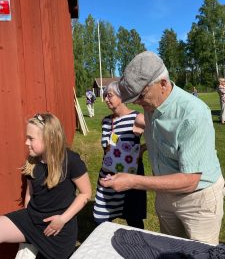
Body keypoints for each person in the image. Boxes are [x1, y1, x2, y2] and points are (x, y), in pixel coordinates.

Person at [100, 51, 224, 245]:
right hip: (165, 194)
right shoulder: (151, 105)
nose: (137, 103)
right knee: (170, 249)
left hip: (198, 199)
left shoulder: (193, 113)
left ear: (163, 84)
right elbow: (163, 139)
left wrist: (133, 181)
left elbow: (190, 180)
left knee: (200, 253)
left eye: (140, 96)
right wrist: (144, 148)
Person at [0, 113, 92, 259]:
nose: (26, 143)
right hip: (32, 219)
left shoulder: (71, 160)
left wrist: (62, 219)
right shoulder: (32, 161)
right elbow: (30, 192)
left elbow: (86, 193)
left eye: (31, 138)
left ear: (49, 139)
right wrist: (27, 217)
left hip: (58, 228)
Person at [93, 81, 147, 229]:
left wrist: (142, 148)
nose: (105, 99)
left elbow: (159, 133)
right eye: (105, 96)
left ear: (122, 96)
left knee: (133, 220)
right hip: (108, 175)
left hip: (130, 176)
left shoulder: (137, 118)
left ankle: (136, 249)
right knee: (100, 218)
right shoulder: (106, 121)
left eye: (109, 95)